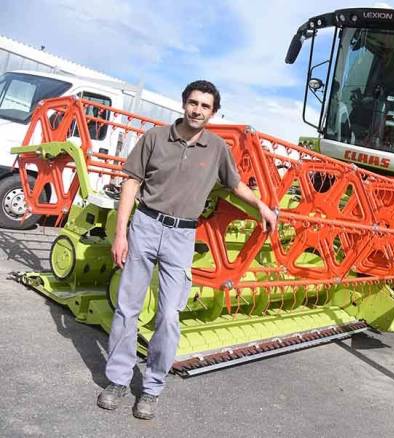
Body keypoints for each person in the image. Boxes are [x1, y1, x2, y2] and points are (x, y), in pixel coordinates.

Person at [96, 80, 277, 420]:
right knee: (127, 308)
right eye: (193, 103)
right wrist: (121, 233)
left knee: (168, 316)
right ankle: (118, 381)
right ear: (183, 104)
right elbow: (131, 183)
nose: (198, 110)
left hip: (182, 236)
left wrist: (263, 206)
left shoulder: (217, 149)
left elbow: (235, 185)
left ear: (214, 112)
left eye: (205, 106)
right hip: (145, 226)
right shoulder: (154, 139)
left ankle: (151, 389)